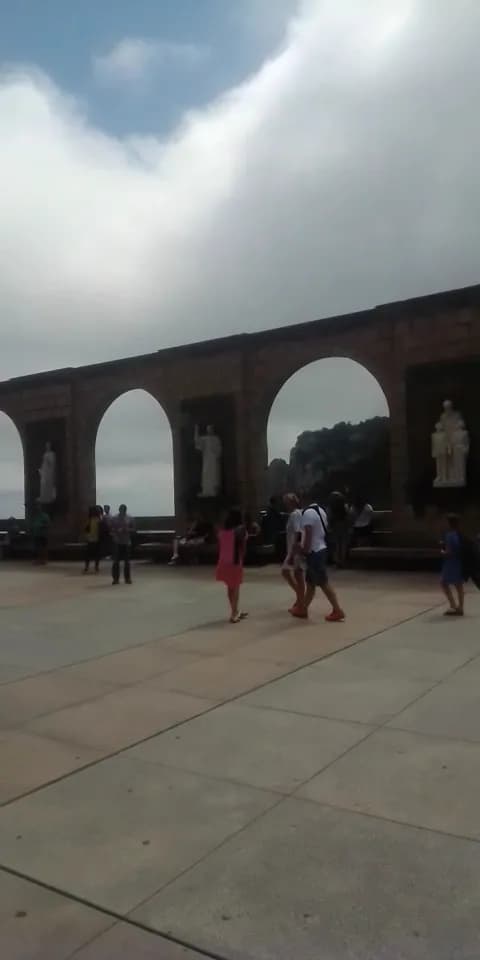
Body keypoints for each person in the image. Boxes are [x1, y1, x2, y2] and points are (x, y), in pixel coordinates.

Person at [297, 496, 345, 622]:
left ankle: (337, 610)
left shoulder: (307, 513)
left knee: (323, 582)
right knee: (311, 583)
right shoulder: (321, 511)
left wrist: (303, 551)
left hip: (314, 552)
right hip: (321, 548)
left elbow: (308, 534)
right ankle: (303, 608)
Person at [216, 508, 248, 623]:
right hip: (235, 560)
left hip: (224, 560)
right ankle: (234, 613)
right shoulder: (241, 529)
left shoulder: (223, 530)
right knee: (236, 588)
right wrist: (242, 558)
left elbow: (220, 546)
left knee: (230, 588)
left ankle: (235, 610)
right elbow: (243, 547)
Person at [282, 493, 305, 614]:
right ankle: (300, 598)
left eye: (286, 502)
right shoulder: (298, 513)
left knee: (296, 575)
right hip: (293, 550)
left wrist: (292, 554)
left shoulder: (295, 514)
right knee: (288, 573)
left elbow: (298, 532)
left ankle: (301, 601)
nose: (285, 504)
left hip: (295, 550)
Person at [440, 514, 465, 616]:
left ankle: (453, 606)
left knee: (443, 583)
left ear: (449, 523)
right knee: (459, 585)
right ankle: (460, 608)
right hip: (459, 562)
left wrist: (442, 552)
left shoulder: (449, 535)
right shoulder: (459, 534)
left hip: (450, 563)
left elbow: (449, 552)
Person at [111, 504, 135, 585]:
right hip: (117, 542)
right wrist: (116, 531)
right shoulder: (114, 518)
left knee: (127, 562)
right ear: (119, 510)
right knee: (116, 562)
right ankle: (115, 579)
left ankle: (127, 578)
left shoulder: (130, 518)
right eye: (121, 510)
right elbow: (111, 529)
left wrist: (127, 529)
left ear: (125, 510)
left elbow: (133, 529)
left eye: (124, 510)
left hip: (126, 542)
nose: (122, 511)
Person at [328, 490, 351, 568]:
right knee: (343, 543)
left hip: (335, 526)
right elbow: (348, 516)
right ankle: (343, 561)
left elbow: (329, 517)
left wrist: (330, 526)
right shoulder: (345, 506)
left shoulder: (331, 507)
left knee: (336, 544)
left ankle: (337, 561)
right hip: (343, 525)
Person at [31, 501, 50, 565]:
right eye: (36, 506)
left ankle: (44, 560)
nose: (37, 508)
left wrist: (41, 526)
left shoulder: (45, 516)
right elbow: (32, 524)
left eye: (38, 506)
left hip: (43, 534)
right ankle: (37, 560)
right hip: (36, 534)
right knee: (36, 547)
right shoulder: (34, 516)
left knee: (43, 548)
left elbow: (48, 525)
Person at [83, 506, 101, 574]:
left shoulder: (98, 520)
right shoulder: (90, 520)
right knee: (88, 555)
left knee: (96, 555)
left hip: (96, 539)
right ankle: (87, 567)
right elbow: (86, 529)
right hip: (90, 539)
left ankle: (95, 567)